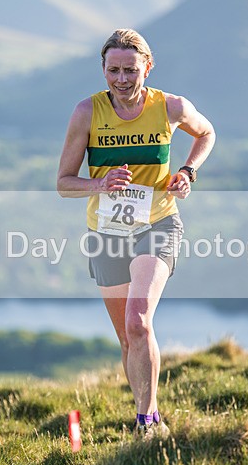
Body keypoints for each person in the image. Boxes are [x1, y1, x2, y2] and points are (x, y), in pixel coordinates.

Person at [57, 29, 215, 438]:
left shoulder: (171, 107)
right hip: (106, 232)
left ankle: (146, 423)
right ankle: (149, 410)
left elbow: (206, 133)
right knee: (129, 340)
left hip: (158, 222)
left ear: (147, 66)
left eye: (131, 70)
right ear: (103, 69)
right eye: (113, 70)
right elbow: (63, 182)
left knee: (138, 320)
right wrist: (99, 183)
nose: (122, 79)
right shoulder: (86, 113)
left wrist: (187, 171)